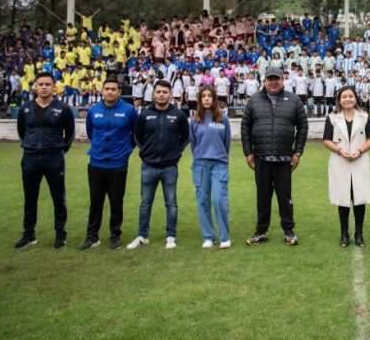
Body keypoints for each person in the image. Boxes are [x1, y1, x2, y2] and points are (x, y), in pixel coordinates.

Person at [241, 66, 309, 246]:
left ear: (282, 80)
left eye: (276, 79)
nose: (273, 82)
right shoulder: (254, 100)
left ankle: (289, 231)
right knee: (262, 197)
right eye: (270, 79)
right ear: (264, 81)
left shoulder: (294, 100)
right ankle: (261, 231)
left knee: (284, 197)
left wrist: (297, 152)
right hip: (261, 158)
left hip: (284, 159)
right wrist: (248, 152)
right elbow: (245, 127)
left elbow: (303, 127)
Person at [14, 71, 76, 249]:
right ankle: (29, 235)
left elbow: (70, 134)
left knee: (58, 198)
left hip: (54, 158)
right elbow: (22, 131)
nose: (43, 87)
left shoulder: (63, 109)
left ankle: (60, 235)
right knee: (30, 198)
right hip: (30, 157)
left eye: (47, 84)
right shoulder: (25, 109)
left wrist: (59, 149)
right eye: (40, 84)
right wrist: (31, 146)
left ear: (54, 87)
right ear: (35, 86)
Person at [127, 80, 189, 250]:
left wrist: (176, 152)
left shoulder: (178, 115)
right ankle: (142, 235)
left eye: (165, 92)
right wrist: (145, 151)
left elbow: (185, 137)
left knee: (171, 203)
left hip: (169, 167)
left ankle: (171, 236)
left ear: (170, 94)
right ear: (153, 94)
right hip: (148, 165)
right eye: (159, 92)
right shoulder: (145, 114)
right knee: (145, 203)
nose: (162, 95)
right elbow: (137, 136)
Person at [80, 76, 138, 250]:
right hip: (96, 163)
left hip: (118, 164)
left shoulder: (129, 110)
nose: (110, 92)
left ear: (119, 92)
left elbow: (135, 135)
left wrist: (125, 151)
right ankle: (92, 236)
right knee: (95, 202)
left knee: (116, 202)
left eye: (113, 89)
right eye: (107, 89)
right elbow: (91, 133)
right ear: (102, 91)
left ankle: (115, 234)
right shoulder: (93, 110)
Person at [322, 86, 370, 247]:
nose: (347, 99)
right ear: (339, 100)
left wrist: (360, 151)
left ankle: (359, 234)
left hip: (360, 161)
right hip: (340, 162)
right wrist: (339, 151)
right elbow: (326, 140)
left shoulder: (364, 117)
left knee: (359, 198)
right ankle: (344, 234)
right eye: (344, 97)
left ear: (355, 98)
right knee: (343, 198)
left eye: (350, 96)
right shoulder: (332, 118)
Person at [189, 85, 232, 249]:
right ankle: (208, 237)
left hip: (219, 164)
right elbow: (193, 144)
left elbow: (226, 143)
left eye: (209, 96)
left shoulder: (223, 119)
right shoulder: (194, 120)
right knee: (203, 201)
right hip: (200, 165)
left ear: (214, 99)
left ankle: (224, 237)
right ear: (199, 99)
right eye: (203, 96)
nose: (206, 98)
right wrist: (200, 157)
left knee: (219, 200)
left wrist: (221, 157)